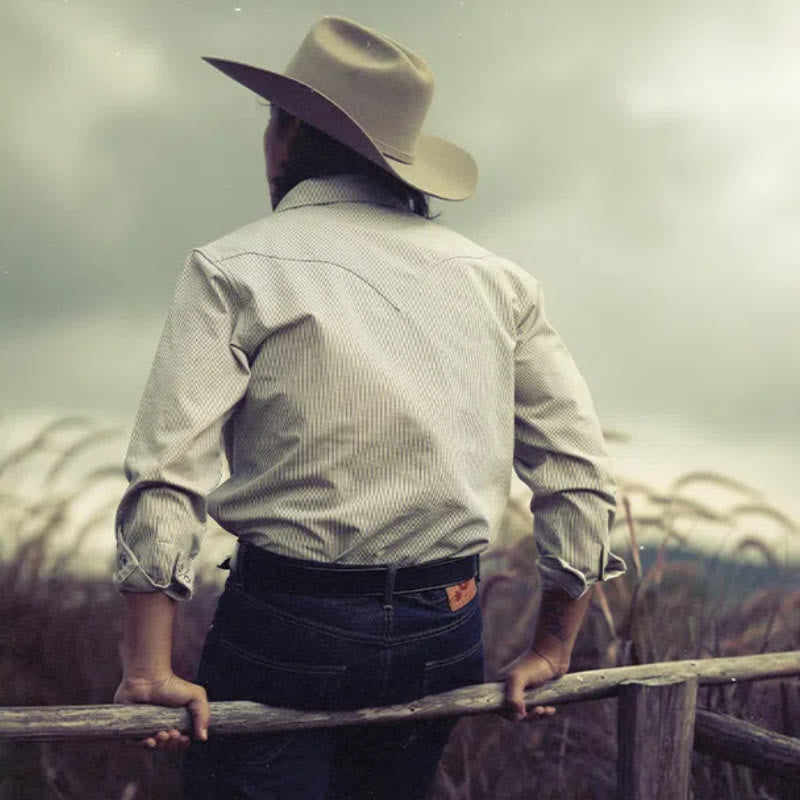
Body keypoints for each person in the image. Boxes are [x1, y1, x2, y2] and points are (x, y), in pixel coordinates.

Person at [112, 15, 626, 800]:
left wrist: (148, 670)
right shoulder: (501, 283)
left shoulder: (234, 269)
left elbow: (167, 475)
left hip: (288, 624)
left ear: (285, 137)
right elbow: (582, 479)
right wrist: (554, 647)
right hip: (448, 627)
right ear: (400, 159)